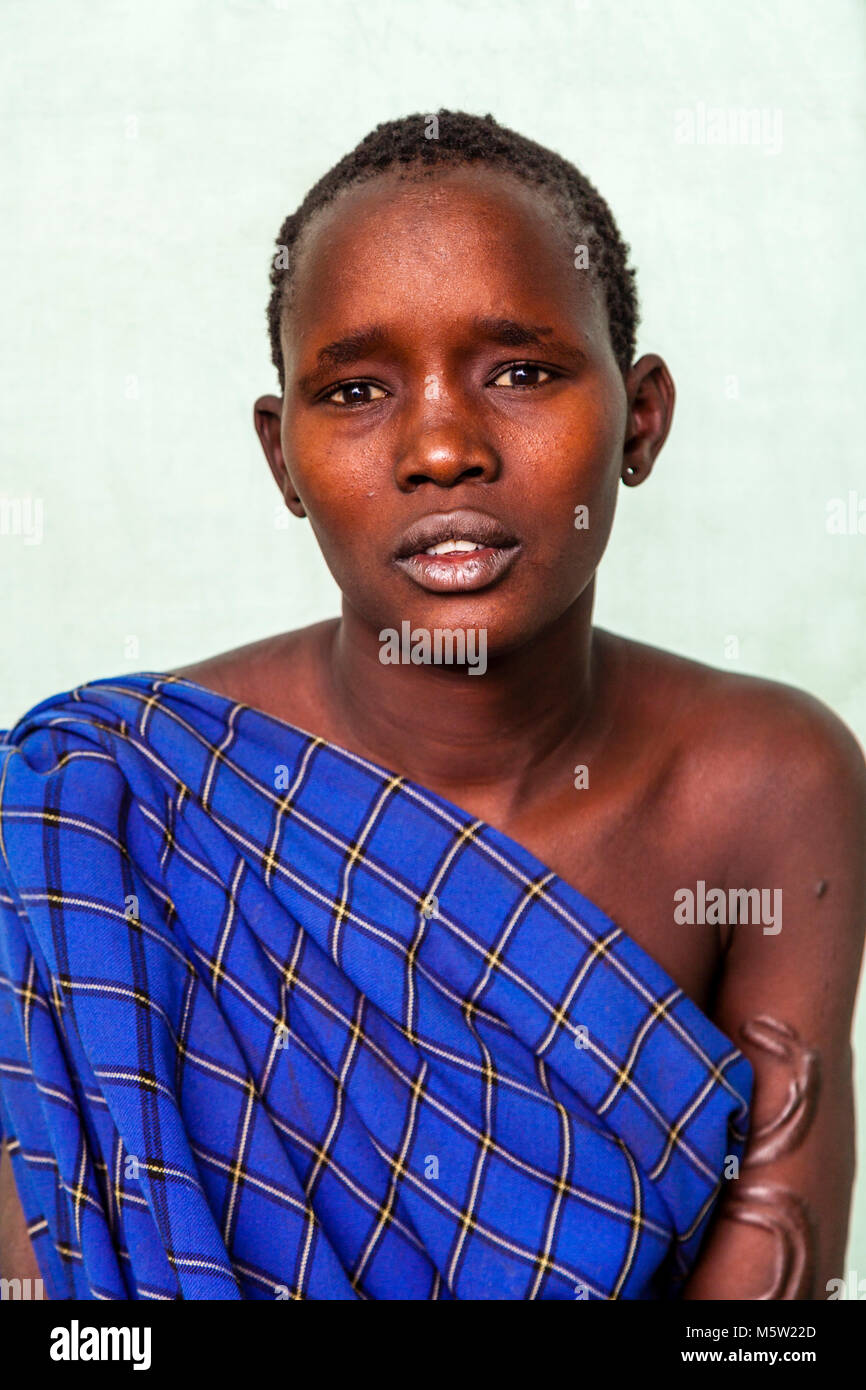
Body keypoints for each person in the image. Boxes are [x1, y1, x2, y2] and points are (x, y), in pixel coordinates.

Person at [1, 110, 863, 1301]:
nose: (442, 445)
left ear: (641, 417)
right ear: (280, 459)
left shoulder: (769, 780)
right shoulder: (102, 802)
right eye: (355, 389)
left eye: (519, 371)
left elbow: (769, 1292)